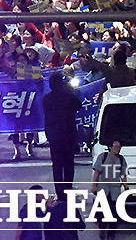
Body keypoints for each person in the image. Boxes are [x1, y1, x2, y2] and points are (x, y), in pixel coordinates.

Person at [42, 72, 82, 201]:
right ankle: (68, 189)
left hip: (54, 135)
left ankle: (60, 192)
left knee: (57, 165)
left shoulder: (47, 99)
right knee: (68, 164)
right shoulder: (68, 96)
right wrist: (69, 90)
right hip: (68, 135)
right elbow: (78, 105)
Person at [91, 137, 128, 240]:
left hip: (115, 189)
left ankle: (111, 234)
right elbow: (97, 172)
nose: (117, 149)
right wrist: (94, 185)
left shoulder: (121, 159)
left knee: (114, 212)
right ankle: (102, 230)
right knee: (102, 211)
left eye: (119, 147)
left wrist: (126, 186)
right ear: (110, 147)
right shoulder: (103, 157)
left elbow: (123, 174)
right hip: (103, 188)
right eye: (115, 147)